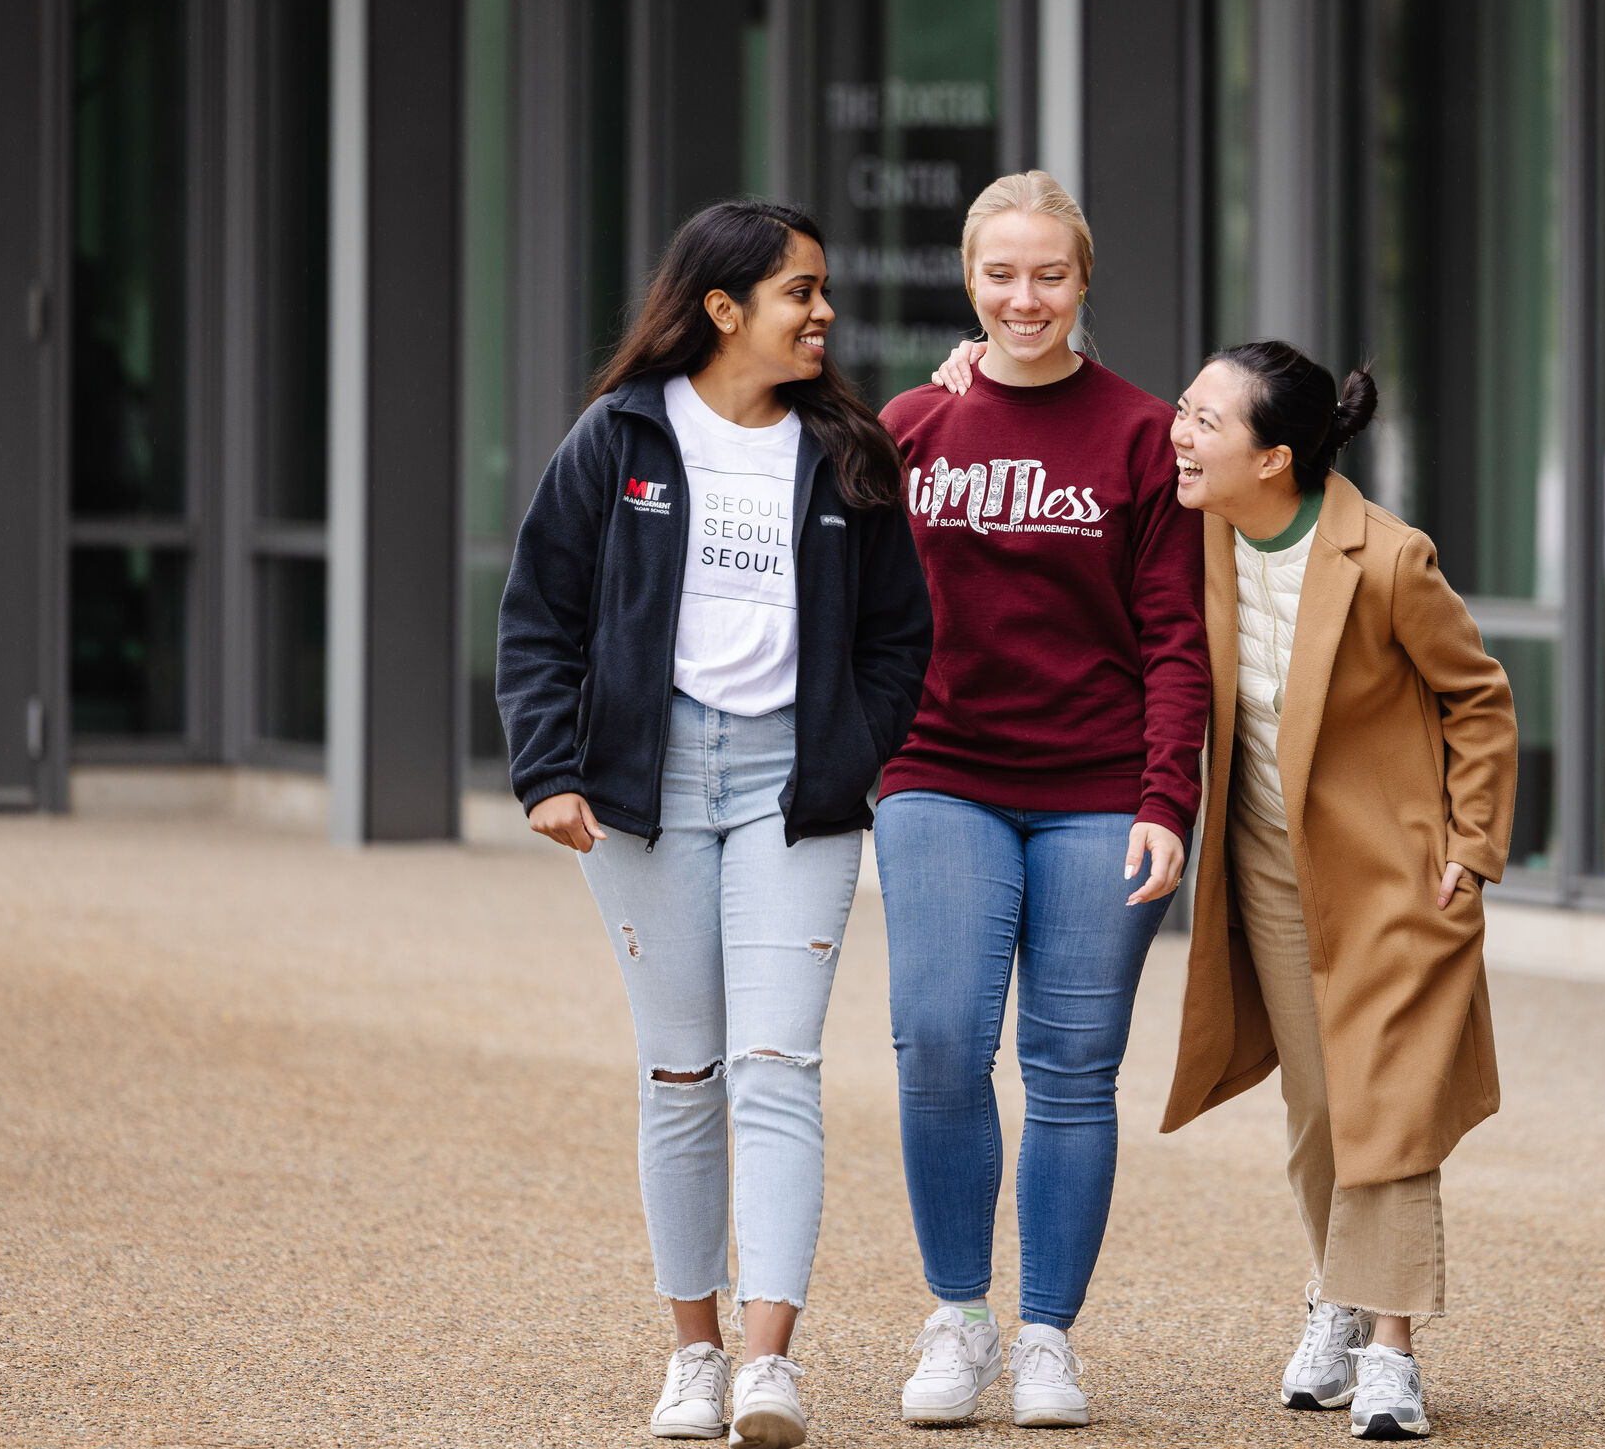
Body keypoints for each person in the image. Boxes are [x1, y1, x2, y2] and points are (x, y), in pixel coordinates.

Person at [496, 201, 932, 1448]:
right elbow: (539, 617)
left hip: (796, 791)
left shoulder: (846, 447)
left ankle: (766, 1364)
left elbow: (903, 633)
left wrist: (854, 744)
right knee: (682, 1073)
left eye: (826, 290)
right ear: (723, 305)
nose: (825, 313)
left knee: (778, 1067)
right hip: (648, 782)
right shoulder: (620, 436)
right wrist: (549, 770)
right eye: (802, 291)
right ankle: (690, 1355)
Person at [875, 171, 1210, 1429]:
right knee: (943, 1043)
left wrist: (1166, 797)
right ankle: (958, 1314)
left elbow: (1179, 635)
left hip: (1097, 790)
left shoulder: (1140, 434)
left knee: (1075, 1069)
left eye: (1050, 274)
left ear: (1084, 281)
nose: (1027, 298)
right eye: (1002, 274)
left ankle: (1048, 1335)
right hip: (940, 773)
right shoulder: (913, 423)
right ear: (971, 280)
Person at [1156, 341, 1516, 1442]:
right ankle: (1335, 1293)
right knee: (1317, 1105)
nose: (1179, 429)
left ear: (1273, 457)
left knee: (1384, 1104)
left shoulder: (1391, 558)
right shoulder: (1194, 533)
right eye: (1184, 407)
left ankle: (1392, 1350)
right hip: (1265, 864)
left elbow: (1479, 697)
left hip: (1393, 872)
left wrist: (1474, 841)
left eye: (1204, 419)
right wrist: (973, 367)